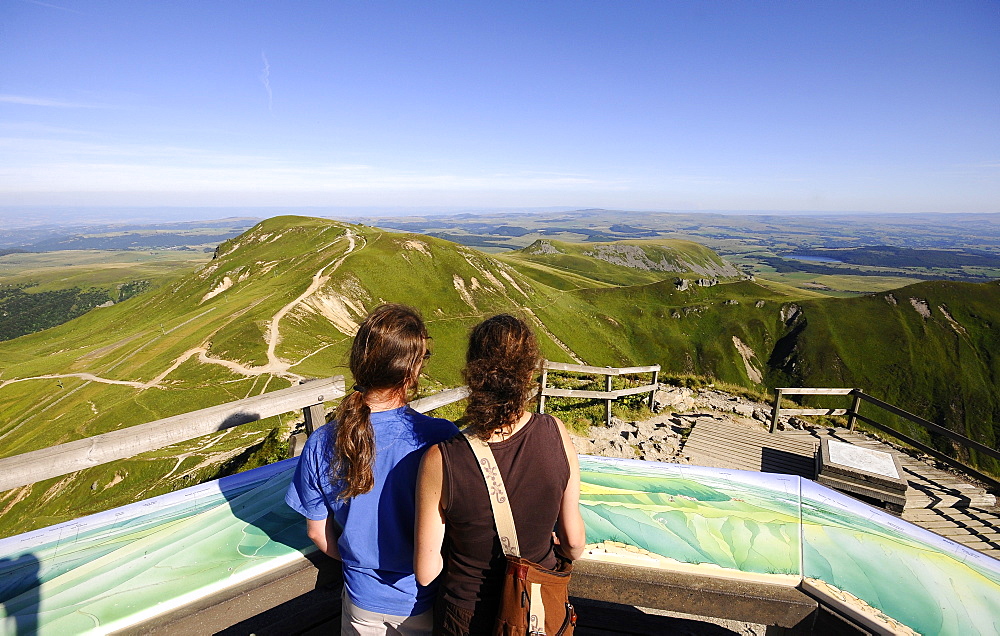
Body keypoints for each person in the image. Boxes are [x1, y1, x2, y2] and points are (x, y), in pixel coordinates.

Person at [285, 304, 459, 635]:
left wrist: (357, 565)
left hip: (360, 600)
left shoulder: (321, 441)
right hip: (423, 599)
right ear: (411, 372)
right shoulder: (440, 438)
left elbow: (315, 532)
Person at [414, 314, 586, 635]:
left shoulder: (441, 458)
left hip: (465, 616)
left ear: (472, 373)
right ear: (530, 372)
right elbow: (574, 543)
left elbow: (426, 572)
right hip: (536, 607)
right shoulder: (555, 433)